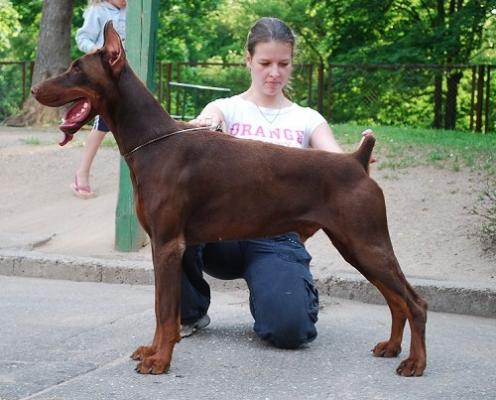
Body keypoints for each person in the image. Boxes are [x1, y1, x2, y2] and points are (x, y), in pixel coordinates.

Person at [182, 17, 370, 348]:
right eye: (265, 63)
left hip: (275, 236)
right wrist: (207, 124)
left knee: (290, 331)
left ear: (292, 62)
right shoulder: (226, 108)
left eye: (283, 63)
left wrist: (355, 164)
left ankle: (291, 296)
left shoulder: (307, 119)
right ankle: (187, 311)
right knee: (177, 219)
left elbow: (338, 164)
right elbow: (210, 121)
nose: (274, 72)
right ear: (248, 60)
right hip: (219, 235)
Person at [70, 0, 127, 199]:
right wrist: (96, 50)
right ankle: (82, 173)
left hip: (127, 78)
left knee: (132, 124)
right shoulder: (98, 11)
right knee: (102, 125)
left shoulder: (133, 12)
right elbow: (82, 37)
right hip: (105, 77)